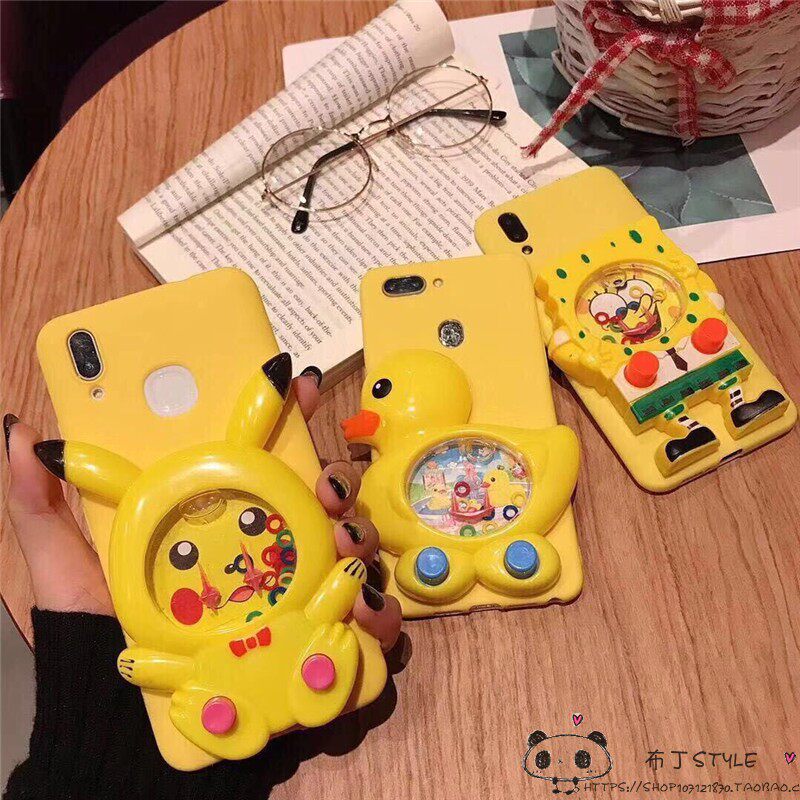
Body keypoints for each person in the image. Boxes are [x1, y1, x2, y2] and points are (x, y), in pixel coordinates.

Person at [2, 371, 402, 800]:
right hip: (234, 691)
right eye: (183, 556)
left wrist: (100, 745)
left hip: (271, 670)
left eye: (252, 523)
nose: (230, 567)